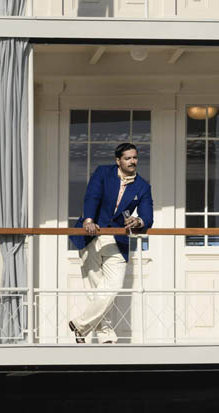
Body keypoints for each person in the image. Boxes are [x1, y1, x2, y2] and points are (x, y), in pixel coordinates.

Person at [68, 143, 153, 344]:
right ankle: (105, 335)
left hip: (117, 239)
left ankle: (80, 324)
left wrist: (139, 221)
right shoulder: (103, 173)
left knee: (112, 286)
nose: (133, 161)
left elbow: (147, 214)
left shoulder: (142, 186)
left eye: (135, 157)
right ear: (118, 160)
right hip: (91, 235)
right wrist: (88, 219)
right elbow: (92, 196)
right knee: (96, 289)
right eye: (128, 158)